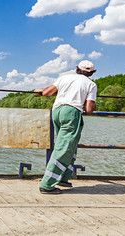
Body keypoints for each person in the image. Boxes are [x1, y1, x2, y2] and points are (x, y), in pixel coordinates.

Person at [36, 60, 97, 194]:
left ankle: (63, 177)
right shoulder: (91, 84)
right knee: (64, 148)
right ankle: (47, 185)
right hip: (72, 113)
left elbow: (46, 92)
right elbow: (89, 109)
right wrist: (93, 104)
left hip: (57, 112)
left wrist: (40, 91)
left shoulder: (64, 78)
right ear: (91, 73)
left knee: (70, 145)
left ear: (77, 69)